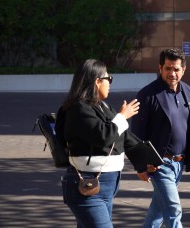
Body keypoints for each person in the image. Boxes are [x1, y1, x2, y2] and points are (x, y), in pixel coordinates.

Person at [57, 59, 142, 228]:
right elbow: (103, 135)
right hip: (86, 186)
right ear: (97, 81)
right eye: (108, 79)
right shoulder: (78, 109)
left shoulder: (103, 106)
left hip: (106, 186)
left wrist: (148, 160)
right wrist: (122, 117)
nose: (110, 83)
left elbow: (124, 137)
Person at [131, 48, 190, 228]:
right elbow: (137, 133)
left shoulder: (187, 91)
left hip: (179, 163)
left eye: (176, 69)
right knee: (174, 209)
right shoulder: (148, 94)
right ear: (160, 68)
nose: (172, 73)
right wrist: (140, 164)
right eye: (168, 68)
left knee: (157, 211)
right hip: (159, 164)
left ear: (184, 69)